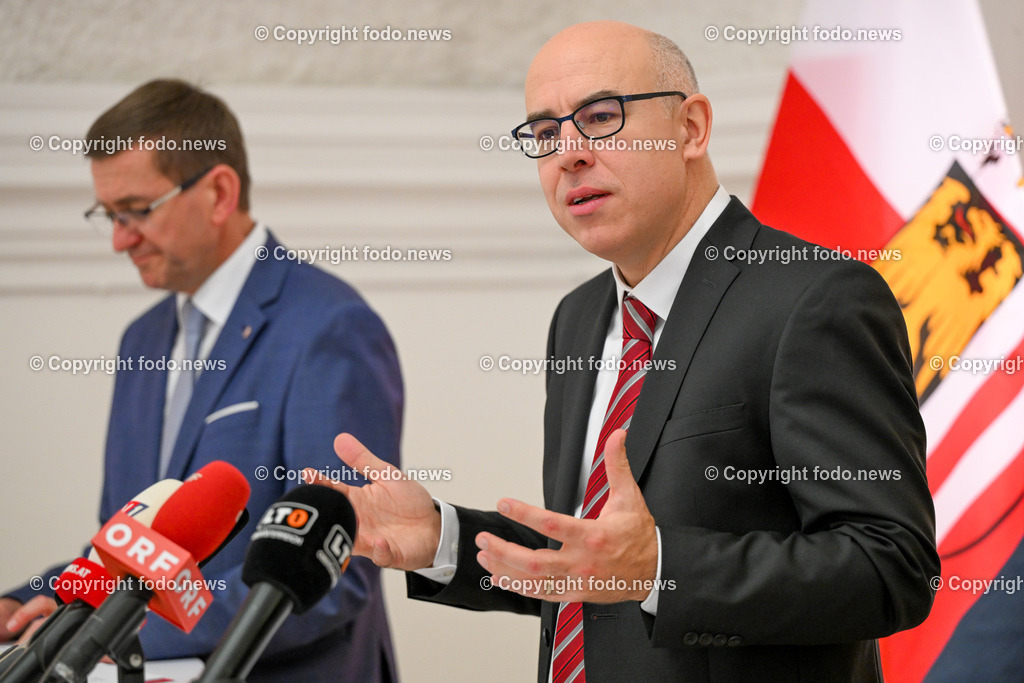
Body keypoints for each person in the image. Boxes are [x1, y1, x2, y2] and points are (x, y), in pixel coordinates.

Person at [311, 21, 939, 682]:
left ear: (691, 128)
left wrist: (661, 569)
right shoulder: (577, 319)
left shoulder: (814, 299)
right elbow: (590, 560)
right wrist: (443, 537)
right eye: (546, 133)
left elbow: (891, 565)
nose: (569, 154)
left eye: (600, 117)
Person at [0, 79, 403, 682]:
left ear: (218, 193)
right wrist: (35, 601)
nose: (119, 239)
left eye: (137, 210)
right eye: (109, 216)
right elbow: (128, 548)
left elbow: (338, 570)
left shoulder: (330, 327)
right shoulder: (141, 340)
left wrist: (114, 630)